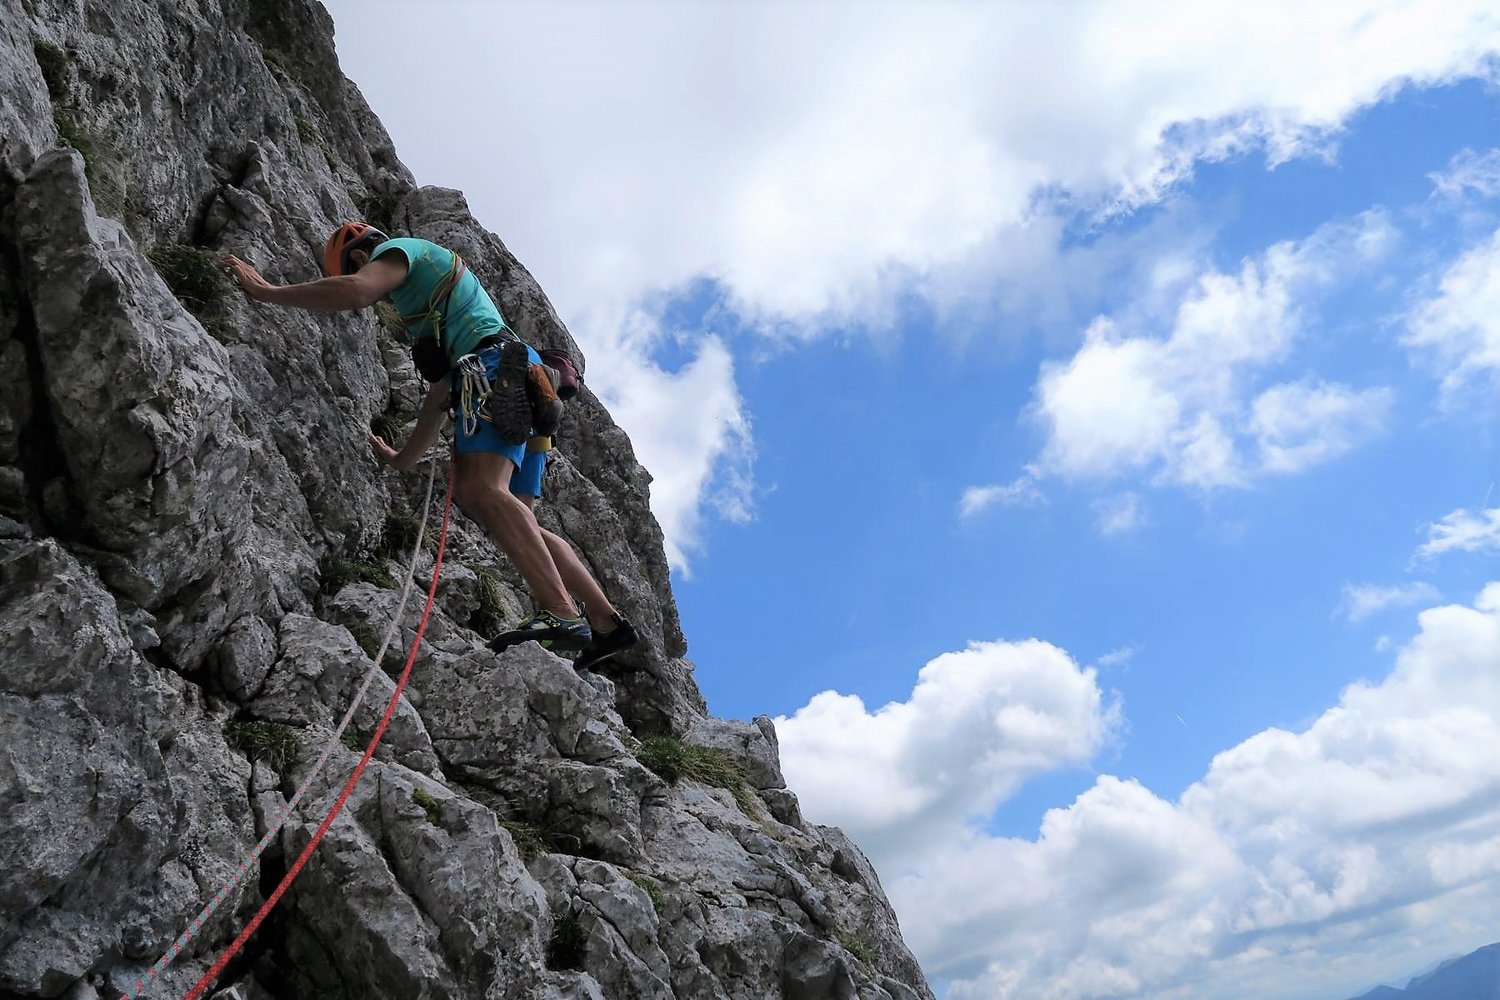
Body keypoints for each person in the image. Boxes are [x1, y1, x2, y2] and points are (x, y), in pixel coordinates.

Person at [218, 223, 638, 667]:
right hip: (526, 383)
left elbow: (357, 291)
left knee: (481, 490)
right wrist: (402, 458)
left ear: (361, 256)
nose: (377, 292)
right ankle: (607, 624)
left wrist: (266, 292)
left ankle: (561, 614)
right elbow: (439, 397)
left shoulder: (404, 251)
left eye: (361, 269)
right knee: (520, 515)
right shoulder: (430, 310)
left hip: (496, 370)